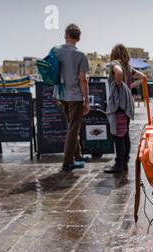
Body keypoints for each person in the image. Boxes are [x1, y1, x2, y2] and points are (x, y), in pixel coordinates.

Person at [105, 44, 146, 174]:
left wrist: (119, 85)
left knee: (118, 134)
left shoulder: (115, 63)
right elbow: (143, 77)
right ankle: (124, 163)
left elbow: (118, 72)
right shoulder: (129, 67)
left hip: (118, 105)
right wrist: (130, 86)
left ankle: (119, 164)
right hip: (127, 106)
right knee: (124, 133)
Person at [54, 24, 90, 172]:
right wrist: (86, 100)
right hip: (74, 96)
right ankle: (68, 163)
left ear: (65, 35)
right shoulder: (81, 55)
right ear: (79, 38)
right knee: (73, 129)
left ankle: (78, 156)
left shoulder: (56, 51)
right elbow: (83, 79)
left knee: (71, 127)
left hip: (60, 94)